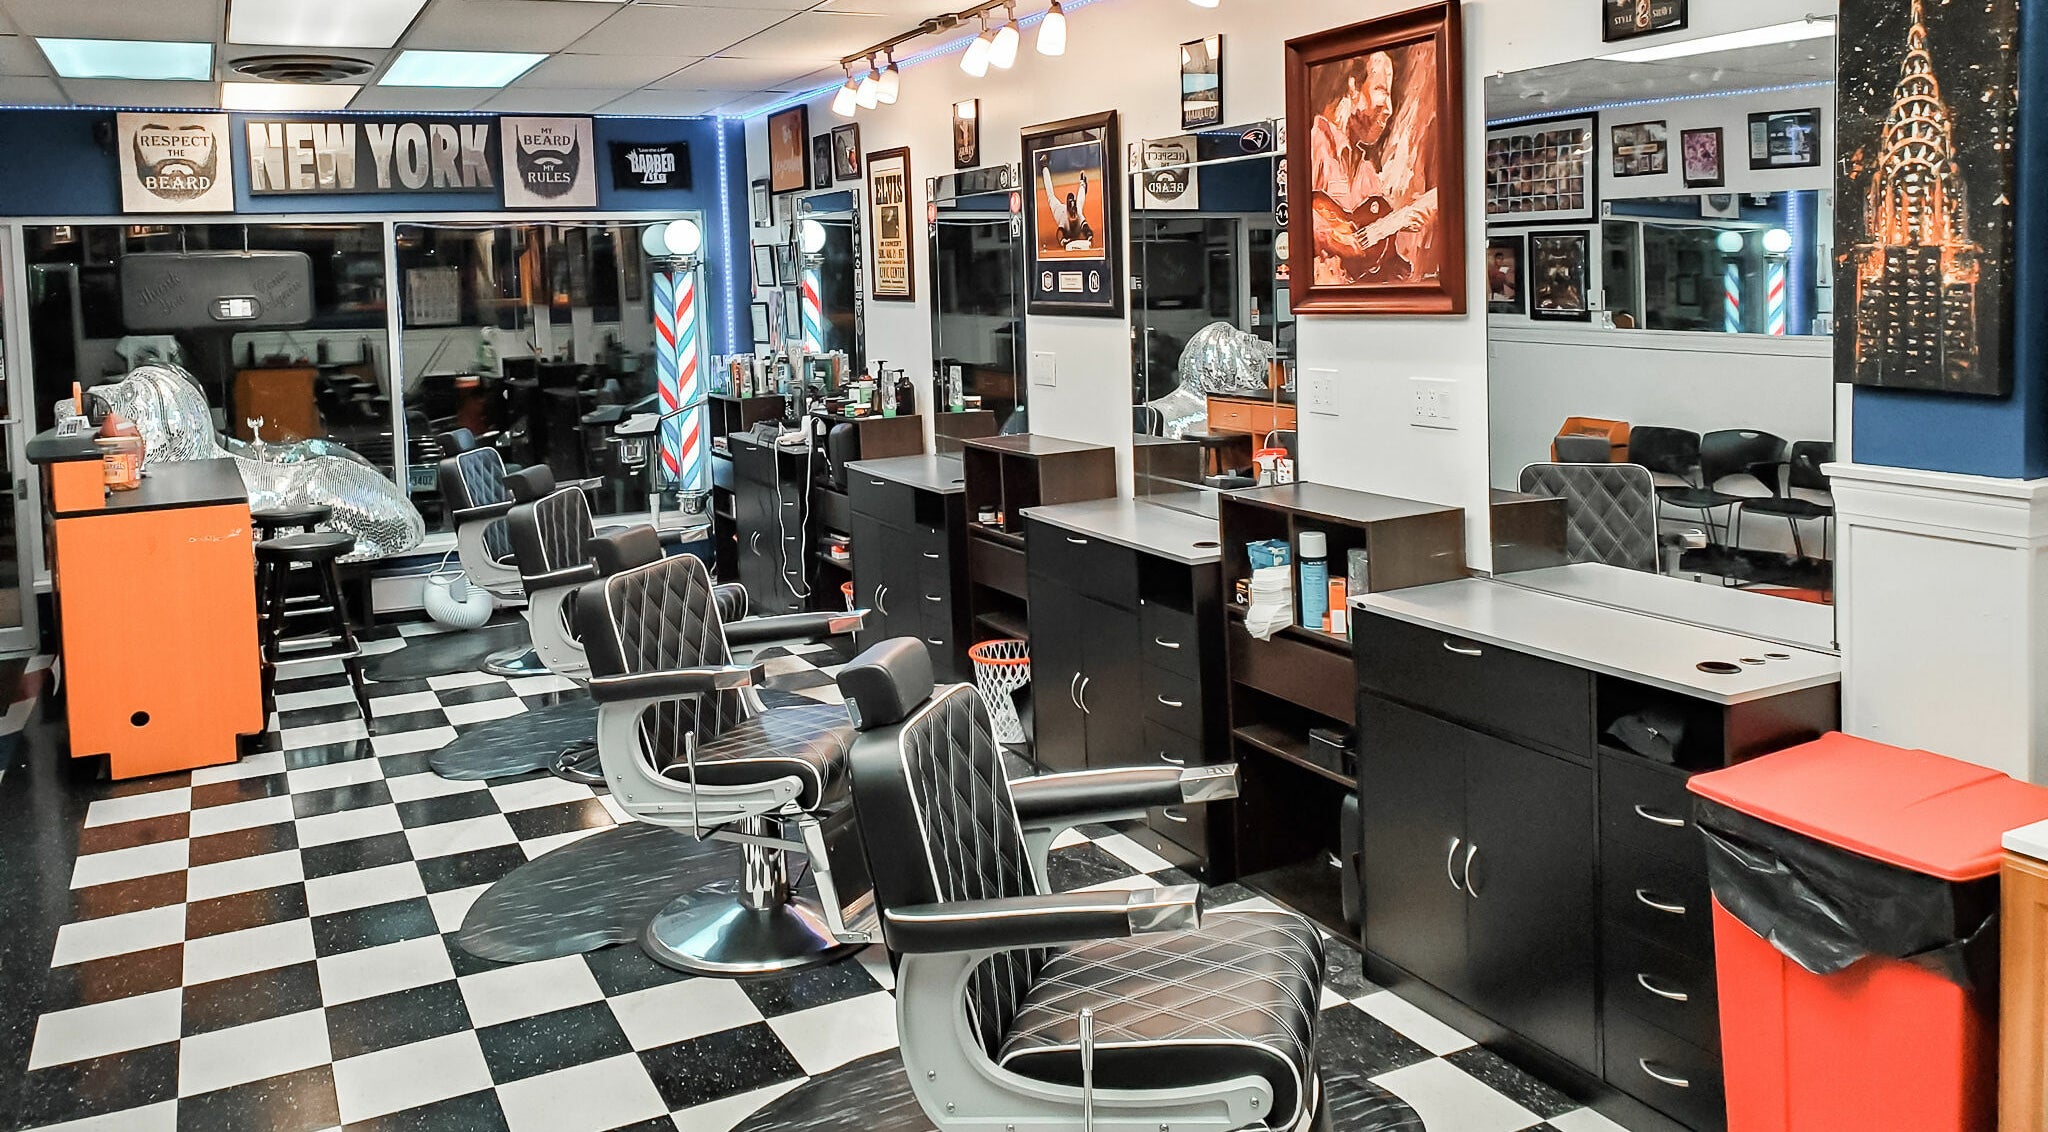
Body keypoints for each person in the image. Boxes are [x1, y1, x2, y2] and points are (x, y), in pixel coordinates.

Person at [1306, 49, 1439, 284]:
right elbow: (1299, 218)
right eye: (1381, 91)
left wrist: (1399, 222)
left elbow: (1379, 253)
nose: (1388, 107)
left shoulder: (1367, 172)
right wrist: (1335, 237)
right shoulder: (1314, 143)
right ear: (1353, 87)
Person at [1039, 155, 1094, 251]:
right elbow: (1060, 233)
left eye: (1074, 214)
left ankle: (1083, 183)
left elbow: (1087, 229)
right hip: (1059, 210)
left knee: (1080, 202)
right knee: (1051, 196)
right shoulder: (1062, 216)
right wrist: (1062, 240)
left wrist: (1089, 236)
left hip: (1077, 208)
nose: (1073, 217)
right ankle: (1044, 166)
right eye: (1072, 215)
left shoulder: (1079, 213)